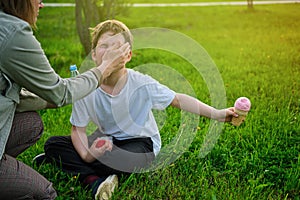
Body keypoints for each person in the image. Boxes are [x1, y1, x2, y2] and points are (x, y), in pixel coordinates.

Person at [40, 19, 238, 200]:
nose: (110, 51)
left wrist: (218, 114)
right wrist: (86, 154)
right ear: (93, 55)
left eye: (117, 46)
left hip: (140, 144)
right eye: (104, 46)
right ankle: (96, 180)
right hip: (105, 141)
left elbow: (178, 99)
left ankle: (81, 172)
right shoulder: (86, 86)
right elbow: (78, 130)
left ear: (128, 55)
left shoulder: (140, 83)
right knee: (53, 144)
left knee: (121, 158)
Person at [0, 0, 130, 199]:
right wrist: (104, 68)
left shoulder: (139, 83)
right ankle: (91, 179)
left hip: (125, 146)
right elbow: (62, 95)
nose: (41, 5)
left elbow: (13, 94)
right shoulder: (13, 32)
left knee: (32, 124)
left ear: (128, 54)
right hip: (94, 148)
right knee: (45, 192)